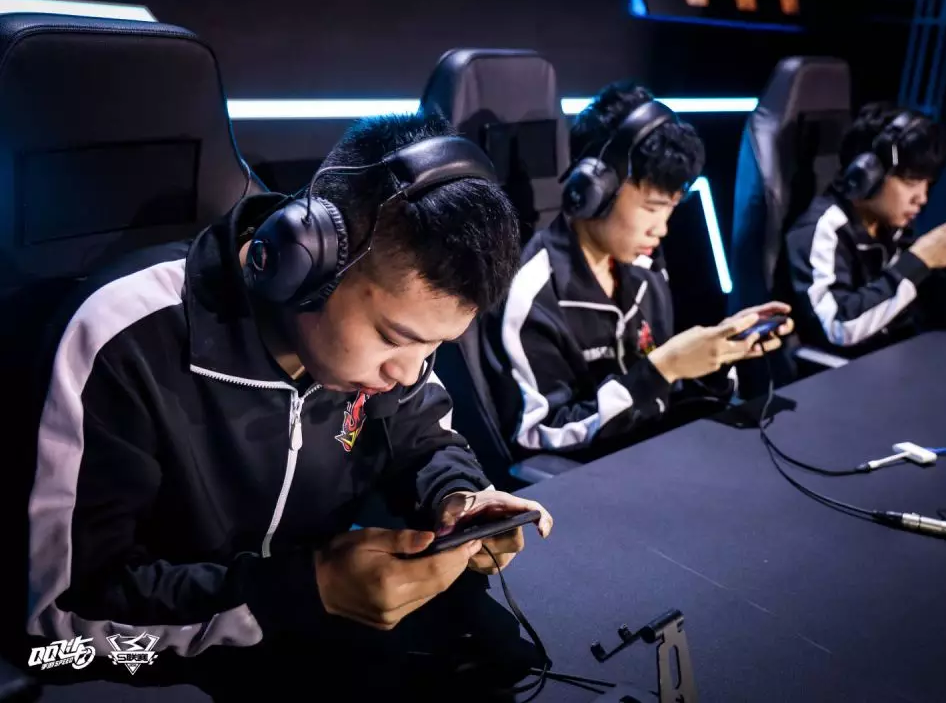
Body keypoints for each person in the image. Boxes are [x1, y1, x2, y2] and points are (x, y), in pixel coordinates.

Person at [22, 112, 553, 697]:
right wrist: (297, 593)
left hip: (308, 639)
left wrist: (458, 499)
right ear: (304, 263)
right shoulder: (121, 339)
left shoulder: (386, 357)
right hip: (162, 676)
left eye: (435, 347)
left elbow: (424, 441)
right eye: (394, 338)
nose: (409, 371)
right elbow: (54, 629)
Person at [483, 82, 793, 462]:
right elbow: (540, 434)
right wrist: (661, 370)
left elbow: (662, 389)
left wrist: (713, 358)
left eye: (671, 209)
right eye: (652, 208)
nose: (661, 229)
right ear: (593, 189)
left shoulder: (645, 267)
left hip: (658, 456)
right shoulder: (532, 293)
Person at [786, 103, 946, 357]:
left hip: (894, 356)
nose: (922, 198)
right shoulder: (821, 229)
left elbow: (930, 304)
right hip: (844, 370)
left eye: (927, 184)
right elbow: (838, 325)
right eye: (911, 182)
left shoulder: (891, 225)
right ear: (866, 173)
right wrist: (918, 260)